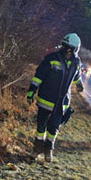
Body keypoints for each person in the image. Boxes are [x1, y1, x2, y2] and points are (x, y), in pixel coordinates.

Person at [27, 33, 83, 162]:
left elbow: (76, 76)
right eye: (65, 46)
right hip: (45, 100)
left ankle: (48, 150)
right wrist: (31, 91)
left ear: (74, 49)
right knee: (41, 127)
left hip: (61, 104)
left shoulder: (76, 62)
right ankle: (37, 150)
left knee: (53, 128)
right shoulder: (52, 58)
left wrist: (79, 85)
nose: (66, 50)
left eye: (69, 47)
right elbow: (39, 76)